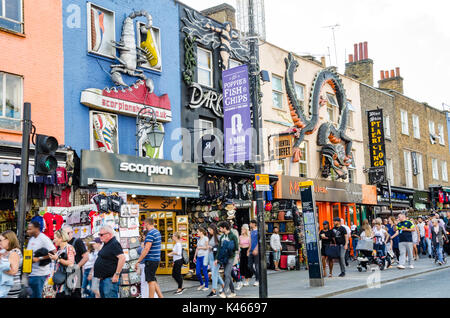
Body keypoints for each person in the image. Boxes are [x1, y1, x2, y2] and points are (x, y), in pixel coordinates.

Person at [26, 220, 56, 298]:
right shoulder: (31, 239)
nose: (28, 231)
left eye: (30, 229)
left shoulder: (44, 238)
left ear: (37, 229)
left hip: (40, 274)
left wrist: (39, 258)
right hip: (31, 273)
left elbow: (54, 252)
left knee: (36, 295)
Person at [93, 226, 126, 298]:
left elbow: (122, 258)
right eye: (99, 234)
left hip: (110, 279)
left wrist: (116, 274)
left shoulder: (114, 243)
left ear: (109, 234)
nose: (100, 236)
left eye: (101, 235)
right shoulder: (107, 243)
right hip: (104, 279)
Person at [135, 218, 163, 299]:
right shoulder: (157, 232)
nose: (144, 226)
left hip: (150, 260)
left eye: (144, 224)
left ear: (147, 224)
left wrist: (138, 261)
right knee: (153, 280)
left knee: (150, 281)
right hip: (156, 259)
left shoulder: (150, 234)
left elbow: (146, 249)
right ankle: (161, 296)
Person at [48, 229, 76, 298]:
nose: (54, 240)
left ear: (61, 238)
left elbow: (71, 263)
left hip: (65, 284)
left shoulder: (69, 248)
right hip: (59, 283)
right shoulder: (60, 250)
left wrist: (57, 259)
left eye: (55, 238)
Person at [63, 226, 88, 298]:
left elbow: (86, 257)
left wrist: (77, 266)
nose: (65, 235)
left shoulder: (77, 241)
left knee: (75, 294)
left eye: (67, 233)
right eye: (63, 233)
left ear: (72, 233)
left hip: (75, 273)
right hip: (65, 272)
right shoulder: (63, 243)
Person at [216, 221, 239, 298]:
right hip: (224, 257)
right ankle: (233, 292)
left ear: (224, 228)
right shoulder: (222, 237)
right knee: (228, 274)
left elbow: (236, 247)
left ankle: (224, 292)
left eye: (221, 228)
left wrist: (230, 248)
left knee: (226, 274)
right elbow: (219, 248)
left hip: (230, 257)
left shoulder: (233, 236)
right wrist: (217, 258)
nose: (220, 229)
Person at [0, 231, 22, 298]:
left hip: (10, 287)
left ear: (8, 240)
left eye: (0, 240)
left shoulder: (14, 252)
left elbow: (13, 271)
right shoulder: (5, 252)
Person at [207, 224, 225, 298]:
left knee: (214, 274)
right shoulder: (211, 237)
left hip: (216, 258)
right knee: (216, 274)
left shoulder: (218, 237)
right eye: (208, 230)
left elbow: (220, 248)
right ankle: (224, 285)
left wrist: (211, 247)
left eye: (210, 230)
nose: (209, 231)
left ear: (213, 230)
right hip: (210, 257)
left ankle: (213, 290)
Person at [193, 228, 209, 292]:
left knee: (205, 271)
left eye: (198, 232)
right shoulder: (199, 240)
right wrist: (194, 256)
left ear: (201, 232)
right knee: (197, 272)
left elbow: (207, 247)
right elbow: (197, 248)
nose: (197, 233)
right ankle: (202, 283)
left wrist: (200, 247)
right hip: (199, 257)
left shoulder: (205, 238)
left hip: (204, 256)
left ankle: (206, 286)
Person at [248, 220, 259, 286]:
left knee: (257, 266)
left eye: (250, 223)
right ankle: (257, 275)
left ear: (254, 224)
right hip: (251, 250)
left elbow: (259, 241)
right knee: (249, 265)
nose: (250, 224)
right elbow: (250, 242)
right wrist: (248, 250)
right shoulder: (251, 232)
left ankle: (257, 280)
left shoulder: (258, 231)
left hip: (256, 250)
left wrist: (256, 249)